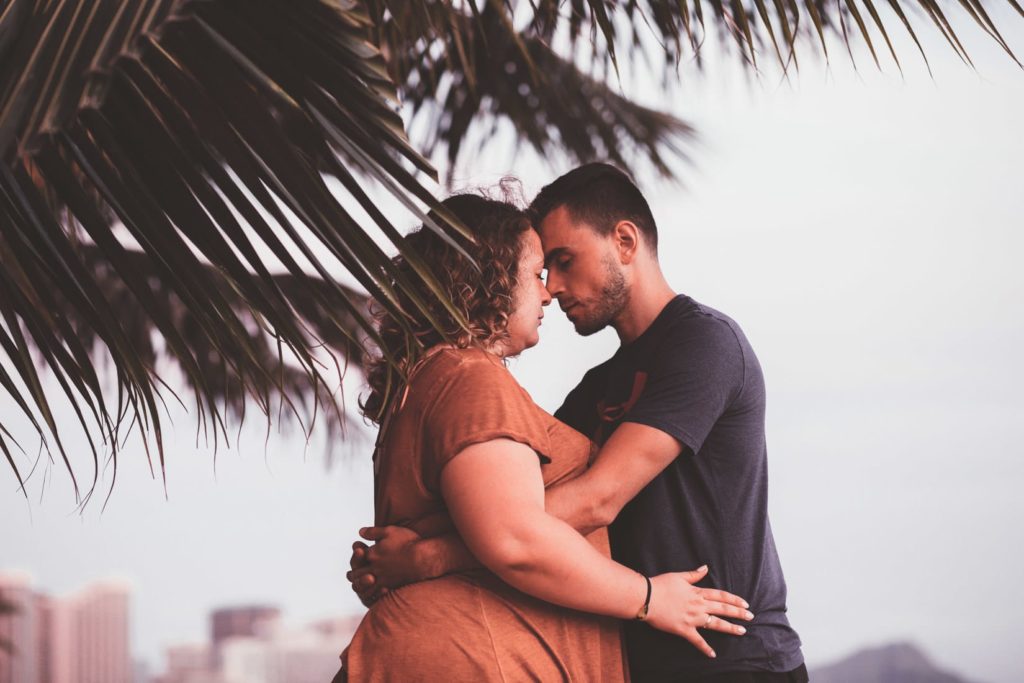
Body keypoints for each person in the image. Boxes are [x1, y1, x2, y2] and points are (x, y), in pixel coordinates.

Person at [348, 165, 806, 682]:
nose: (554, 287)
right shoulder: (594, 387)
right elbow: (511, 509)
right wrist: (402, 549)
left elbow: (594, 499)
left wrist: (428, 556)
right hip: (643, 652)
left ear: (625, 241)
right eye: (543, 271)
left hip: (730, 656)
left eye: (564, 262)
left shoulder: (705, 344)